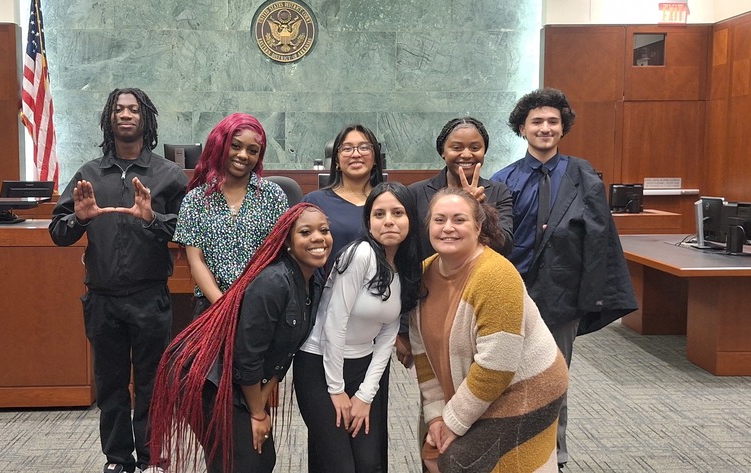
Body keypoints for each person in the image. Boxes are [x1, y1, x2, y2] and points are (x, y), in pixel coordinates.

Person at [490, 88, 638, 471]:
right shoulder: (502, 180)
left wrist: (592, 299)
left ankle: (554, 457)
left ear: (563, 127)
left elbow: (600, 240)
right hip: (513, 293)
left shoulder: (583, 176)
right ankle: (507, 455)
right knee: (502, 379)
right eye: (536, 121)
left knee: (552, 381)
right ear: (522, 128)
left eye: (553, 121)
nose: (545, 128)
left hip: (561, 297)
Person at [49, 88, 188, 473]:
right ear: (109, 119)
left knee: (151, 386)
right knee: (110, 388)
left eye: (133, 109)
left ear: (146, 118)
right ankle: (118, 460)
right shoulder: (89, 174)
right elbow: (58, 232)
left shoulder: (168, 175)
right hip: (103, 300)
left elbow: (188, 229)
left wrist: (152, 219)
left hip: (150, 298)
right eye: (118, 109)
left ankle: (152, 460)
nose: (126, 115)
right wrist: (81, 218)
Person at [149, 203, 333, 473]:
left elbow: (283, 356)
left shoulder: (313, 282)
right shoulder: (273, 282)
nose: (318, 238)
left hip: (241, 378)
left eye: (324, 230)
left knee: (261, 458)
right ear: (288, 243)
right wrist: (257, 413)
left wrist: (258, 407)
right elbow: (246, 357)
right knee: (239, 462)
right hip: (205, 377)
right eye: (306, 232)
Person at [411, 187, 568, 473]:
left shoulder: (496, 276)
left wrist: (453, 422)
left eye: (459, 220)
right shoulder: (423, 275)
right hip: (480, 384)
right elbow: (422, 357)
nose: (448, 228)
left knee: (459, 460)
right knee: (432, 452)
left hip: (528, 386)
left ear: (478, 226)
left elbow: (496, 366)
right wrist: (435, 416)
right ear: (428, 226)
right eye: (439, 220)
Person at [293, 182, 422, 473]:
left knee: (368, 463)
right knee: (340, 466)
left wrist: (365, 395)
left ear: (410, 219)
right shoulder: (361, 255)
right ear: (369, 222)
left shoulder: (406, 265)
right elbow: (334, 325)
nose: (388, 220)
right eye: (379, 214)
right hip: (320, 365)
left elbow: (388, 335)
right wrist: (336, 389)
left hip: (362, 366)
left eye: (397, 212)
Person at [400, 116, 515, 368]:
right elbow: (406, 259)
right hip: (431, 300)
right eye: (457, 147)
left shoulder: (498, 192)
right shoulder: (417, 193)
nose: (466, 154)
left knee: (484, 376)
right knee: (435, 384)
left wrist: (475, 208)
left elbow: (504, 245)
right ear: (443, 151)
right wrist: (402, 327)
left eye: (475, 147)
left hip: (482, 300)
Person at [175, 113, 288, 317]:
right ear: (220, 145)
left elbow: (278, 256)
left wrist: (252, 302)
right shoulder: (196, 199)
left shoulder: (273, 196)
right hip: (212, 307)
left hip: (262, 306)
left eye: (253, 151)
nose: (244, 155)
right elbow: (196, 261)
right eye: (235, 146)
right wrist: (224, 306)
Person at [302, 124, 387, 263]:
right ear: (336, 161)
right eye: (347, 149)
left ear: (375, 159)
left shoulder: (388, 201)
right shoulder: (314, 202)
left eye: (364, 147)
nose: (356, 154)